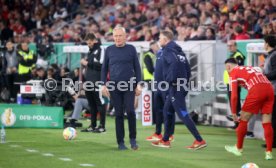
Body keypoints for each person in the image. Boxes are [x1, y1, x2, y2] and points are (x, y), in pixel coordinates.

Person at [152, 30, 207, 149]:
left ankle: (199, 140)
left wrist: (171, 80)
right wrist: (184, 82)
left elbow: (174, 64)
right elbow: (188, 70)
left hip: (175, 86)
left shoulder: (167, 50)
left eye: (160, 38)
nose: (159, 41)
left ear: (166, 40)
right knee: (167, 110)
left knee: (183, 114)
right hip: (181, 86)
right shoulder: (180, 52)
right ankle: (165, 140)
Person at [224, 58, 274, 160]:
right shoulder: (249, 67)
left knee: (243, 119)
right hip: (269, 89)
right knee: (267, 122)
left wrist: (233, 112)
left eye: (226, 69)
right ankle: (268, 152)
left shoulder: (233, 73)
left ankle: (238, 149)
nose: (227, 71)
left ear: (228, 67)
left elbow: (234, 96)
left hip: (256, 90)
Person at [101, 25, 142, 150]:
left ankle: (133, 140)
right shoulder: (109, 50)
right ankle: (121, 143)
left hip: (129, 85)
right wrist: (103, 85)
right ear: (113, 37)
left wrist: (139, 84)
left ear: (125, 37)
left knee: (130, 111)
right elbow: (104, 69)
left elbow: (137, 68)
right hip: (114, 87)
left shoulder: (131, 49)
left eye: (120, 36)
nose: (117, 38)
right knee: (118, 114)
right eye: (115, 36)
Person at [146, 48, 175, 142]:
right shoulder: (158, 52)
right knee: (157, 110)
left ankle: (170, 134)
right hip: (157, 85)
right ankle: (158, 133)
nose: (159, 40)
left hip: (166, 86)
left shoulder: (171, 52)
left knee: (168, 110)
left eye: (161, 38)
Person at [80, 33, 106, 133]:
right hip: (89, 81)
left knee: (100, 102)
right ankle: (93, 125)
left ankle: (102, 126)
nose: (88, 44)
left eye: (90, 42)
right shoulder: (91, 51)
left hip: (97, 80)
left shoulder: (101, 49)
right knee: (92, 104)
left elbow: (102, 64)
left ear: (95, 40)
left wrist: (87, 63)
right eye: (87, 43)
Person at [224, 40, 245, 128]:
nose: (229, 47)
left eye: (231, 46)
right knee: (233, 102)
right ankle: (236, 123)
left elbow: (238, 68)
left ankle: (238, 123)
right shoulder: (232, 55)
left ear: (235, 46)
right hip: (230, 82)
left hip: (234, 82)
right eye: (228, 46)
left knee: (235, 102)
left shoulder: (238, 55)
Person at [263, 35, 276, 148]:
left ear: (267, 43)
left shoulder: (274, 55)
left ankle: (273, 142)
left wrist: (264, 76)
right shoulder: (270, 56)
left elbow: (275, 72)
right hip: (271, 90)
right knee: (272, 117)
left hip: (274, 90)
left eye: (264, 42)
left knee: (274, 117)